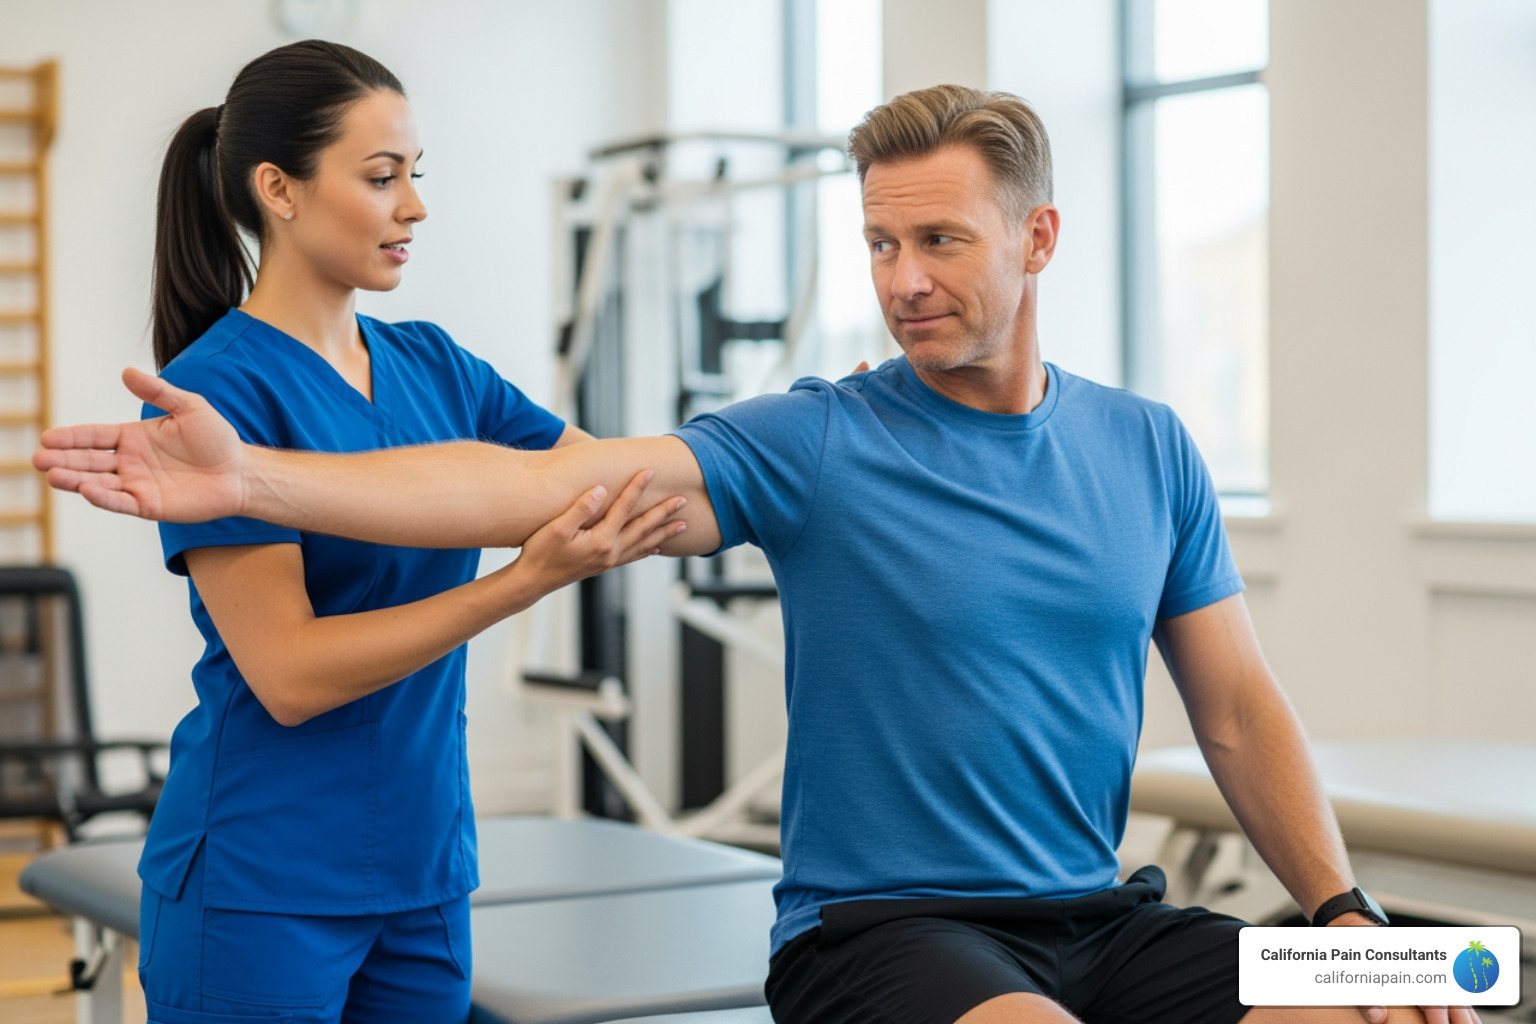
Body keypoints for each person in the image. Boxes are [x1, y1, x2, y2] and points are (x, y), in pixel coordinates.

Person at [38, 86, 1475, 1024]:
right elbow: (537, 481)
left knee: (1440, 975)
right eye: (878, 246)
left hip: (1104, 918)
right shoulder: (818, 440)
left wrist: (1341, 911)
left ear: (1037, 236)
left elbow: (1235, 707)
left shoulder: (1150, 446)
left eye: (940, 242)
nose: (904, 280)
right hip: (890, 939)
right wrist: (258, 475)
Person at [110, 40, 683, 1023]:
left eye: (416, 175)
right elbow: (288, 675)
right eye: (382, 178)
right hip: (263, 878)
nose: (414, 206)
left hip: (424, 872)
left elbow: (602, 478)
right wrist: (521, 581)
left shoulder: (437, 368)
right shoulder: (215, 392)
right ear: (278, 190)